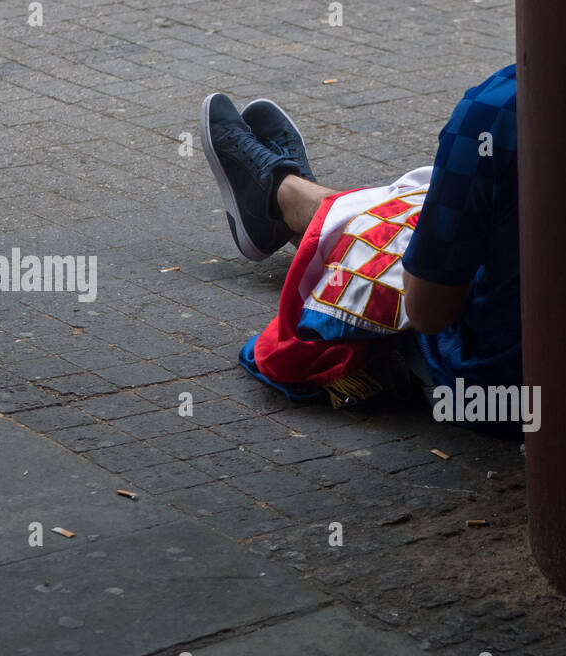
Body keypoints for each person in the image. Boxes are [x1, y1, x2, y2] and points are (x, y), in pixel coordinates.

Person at [199, 65, 521, 430]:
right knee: (432, 208)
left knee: (405, 227)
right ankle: (289, 200)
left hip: (503, 397)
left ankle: (280, 197)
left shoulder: (496, 109)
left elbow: (428, 312)